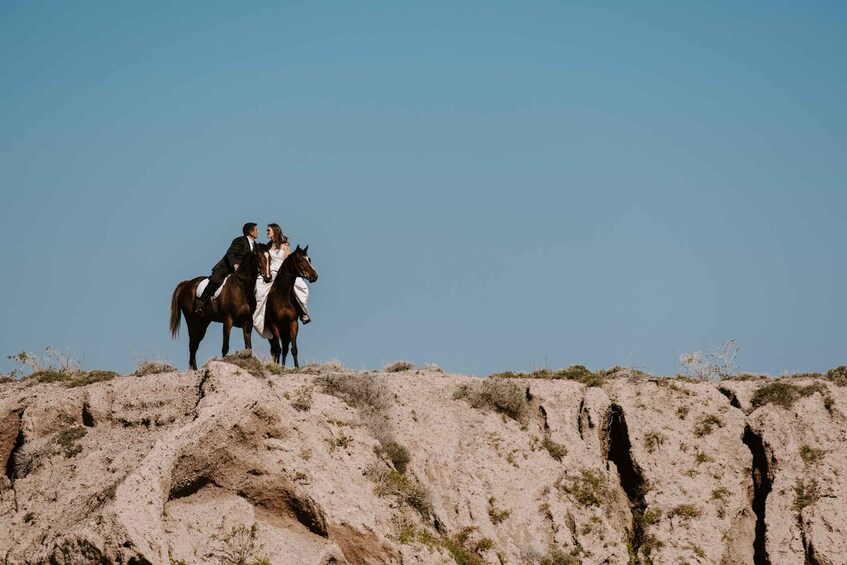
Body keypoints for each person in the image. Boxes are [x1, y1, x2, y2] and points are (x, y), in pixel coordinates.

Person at [252, 224, 312, 338]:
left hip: (284, 272)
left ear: (275, 231)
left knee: (301, 287)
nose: (266, 232)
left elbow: (288, 260)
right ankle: (262, 314)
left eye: (268, 230)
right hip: (272, 271)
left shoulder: (285, 245)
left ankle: (303, 313)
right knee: (260, 288)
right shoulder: (267, 246)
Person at [194, 222, 259, 317]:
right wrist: (234, 264)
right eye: (256, 230)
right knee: (214, 281)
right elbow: (230, 253)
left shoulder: (255, 245)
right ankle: (201, 304)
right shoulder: (240, 241)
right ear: (250, 232)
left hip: (242, 272)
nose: (258, 232)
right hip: (226, 267)